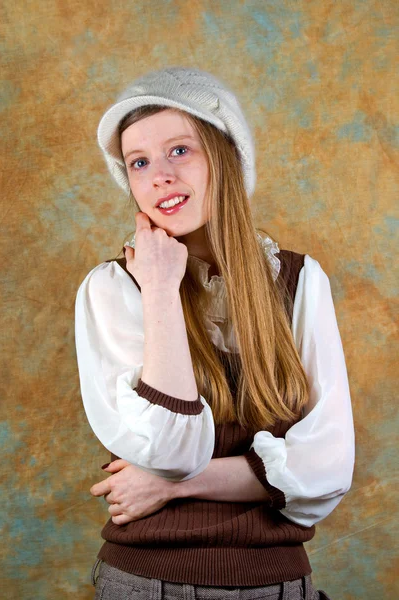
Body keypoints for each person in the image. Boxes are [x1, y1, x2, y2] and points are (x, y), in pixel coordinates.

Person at [74, 66, 355, 600]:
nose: (158, 175)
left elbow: (327, 468)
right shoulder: (112, 289)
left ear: (226, 157)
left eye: (179, 150)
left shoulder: (299, 280)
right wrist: (159, 290)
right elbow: (174, 450)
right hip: (145, 583)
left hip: (275, 582)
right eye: (139, 162)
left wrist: (167, 487)